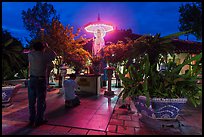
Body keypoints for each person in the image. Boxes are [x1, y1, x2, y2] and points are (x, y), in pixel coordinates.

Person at [27, 41, 56, 127]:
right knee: (41, 101)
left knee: (31, 102)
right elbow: (54, 54)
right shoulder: (45, 56)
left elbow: (29, 50)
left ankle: (32, 119)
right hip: (41, 80)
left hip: (31, 80)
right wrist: (48, 47)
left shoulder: (30, 55)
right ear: (43, 48)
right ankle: (39, 119)